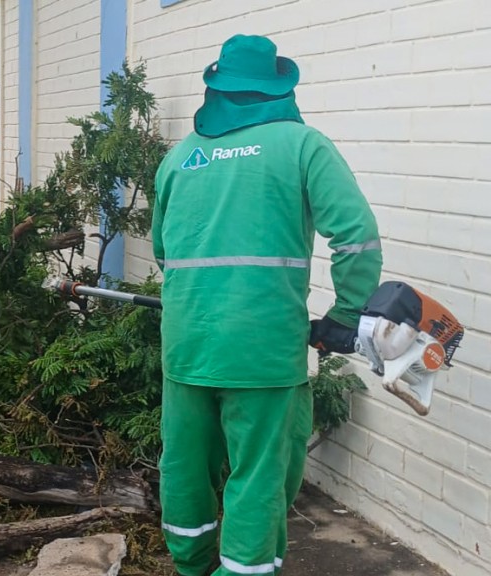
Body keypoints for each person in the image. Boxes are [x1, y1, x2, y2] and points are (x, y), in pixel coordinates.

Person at [151, 34, 382, 575]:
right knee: (259, 475)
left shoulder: (180, 158)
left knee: (184, 466)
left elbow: (165, 252)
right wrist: (347, 315)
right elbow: (357, 238)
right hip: (264, 351)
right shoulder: (302, 146)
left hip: (187, 343)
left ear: (216, 87)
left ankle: (191, 565)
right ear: (279, 86)